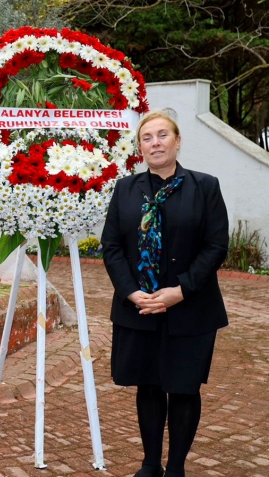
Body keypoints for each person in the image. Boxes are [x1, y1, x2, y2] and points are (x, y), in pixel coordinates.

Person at [102, 110, 229, 477]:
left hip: (191, 308)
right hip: (139, 308)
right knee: (150, 385)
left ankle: (175, 468)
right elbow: (111, 246)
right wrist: (130, 292)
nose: (155, 143)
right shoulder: (126, 188)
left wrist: (181, 291)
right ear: (140, 146)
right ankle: (149, 465)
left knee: (184, 388)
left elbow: (216, 246)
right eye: (147, 137)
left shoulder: (204, 186)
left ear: (177, 141)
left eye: (162, 135)